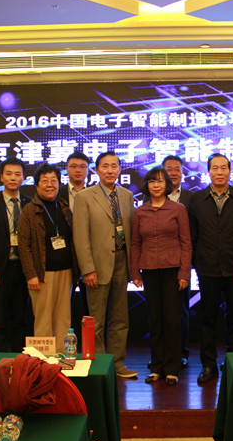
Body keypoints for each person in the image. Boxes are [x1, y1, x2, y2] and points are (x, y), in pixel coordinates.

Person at [188, 153, 233, 384]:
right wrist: (196, 263)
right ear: (208, 172)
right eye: (215, 168)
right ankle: (208, 364)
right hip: (207, 268)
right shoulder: (197, 199)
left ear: (230, 170)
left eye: (223, 168)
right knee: (208, 318)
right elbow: (192, 235)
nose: (219, 172)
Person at [72, 151, 137, 379]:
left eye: (114, 166)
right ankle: (97, 365)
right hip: (97, 266)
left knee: (120, 318)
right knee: (96, 320)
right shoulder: (84, 197)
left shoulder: (127, 195)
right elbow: (80, 236)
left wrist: (133, 268)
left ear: (119, 168)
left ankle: (118, 363)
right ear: (96, 170)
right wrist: (87, 269)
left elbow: (131, 232)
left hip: (121, 262)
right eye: (105, 166)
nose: (110, 170)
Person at [131, 166, 192, 385]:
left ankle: (172, 368)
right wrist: (135, 272)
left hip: (173, 271)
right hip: (149, 271)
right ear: (147, 185)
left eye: (160, 181)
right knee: (155, 320)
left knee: (172, 320)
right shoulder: (140, 212)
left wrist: (184, 272)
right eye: (152, 181)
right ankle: (157, 366)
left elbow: (186, 243)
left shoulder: (178, 209)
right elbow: (135, 243)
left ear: (167, 184)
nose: (156, 185)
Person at [18, 163, 78, 353]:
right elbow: (23, 245)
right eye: (44, 181)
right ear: (37, 185)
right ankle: (42, 360)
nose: (50, 184)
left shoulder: (65, 207)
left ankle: (61, 357)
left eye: (54, 180)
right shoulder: (29, 210)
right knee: (43, 319)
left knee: (63, 319)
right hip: (42, 274)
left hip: (66, 271)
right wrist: (31, 274)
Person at [0, 157, 32, 353]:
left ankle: (20, 358)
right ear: (1, 177)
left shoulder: (29, 204)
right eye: (8, 174)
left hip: (24, 269)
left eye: (17, 174)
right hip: (0, 269)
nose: (13, 178)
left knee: (21, 317)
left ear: (23, 178)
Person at [162, 154, 193, 367]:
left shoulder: (192, 198)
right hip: (157, 262)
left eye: (177, 169)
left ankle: (181, 352)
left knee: (181, 310)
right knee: (159, 311)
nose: (173, 173)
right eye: (169, 169)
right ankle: (161, 354)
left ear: (182, 173)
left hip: (182, 261)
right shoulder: (150, 198)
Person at [57, 151, 91, 337]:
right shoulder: (57, 193)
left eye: (82, 167)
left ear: (88, 170)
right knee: (62, 307)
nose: (78, 170)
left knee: (90, 308)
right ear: (67, 169)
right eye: (74, 166)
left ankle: (90, 348)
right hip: (64, 256)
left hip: (89, 257)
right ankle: (63, 345)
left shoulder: (95, 193)